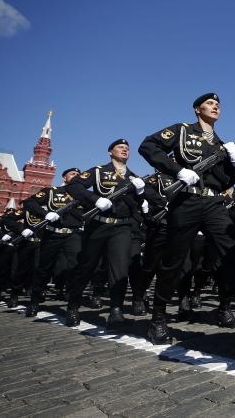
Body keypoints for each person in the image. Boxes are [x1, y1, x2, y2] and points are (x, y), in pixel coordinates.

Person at [138, 93, 235, 343]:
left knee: (232, 251)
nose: (215, 106)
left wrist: (234, 164)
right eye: (210, 103)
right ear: (196, 109)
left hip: (214, 202)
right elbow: (147, 146)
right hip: (187, 201)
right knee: (174, 261)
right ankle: (158, 317)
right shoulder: (182, 130)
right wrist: (178, 170)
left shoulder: (220, 144)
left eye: (218, 105)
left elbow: (224, 181)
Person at [65, 139, 145, 328]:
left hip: (122, 227)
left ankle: (116, 310)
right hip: (98, 225)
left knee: (120, 268)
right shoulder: (98, 171)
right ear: (110, 152)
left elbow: (137, 206)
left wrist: (141, 192)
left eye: (127, 148)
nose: (125, 149)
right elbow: (73, 186)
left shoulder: (133, 177)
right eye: (120, 147)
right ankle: (73, 305)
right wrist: (94, 199)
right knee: (87, 266)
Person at [23, 167, 84, 316]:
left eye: (78, 175)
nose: (76, 176)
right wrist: (45, 214)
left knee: (76, 268)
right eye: (72, 174)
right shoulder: (51, 191)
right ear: (64, 178)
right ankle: (34, 301)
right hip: (52, 234)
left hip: (73, 235)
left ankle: (73, 307)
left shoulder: (83, 195)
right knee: (44, 269)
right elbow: (29, 202)